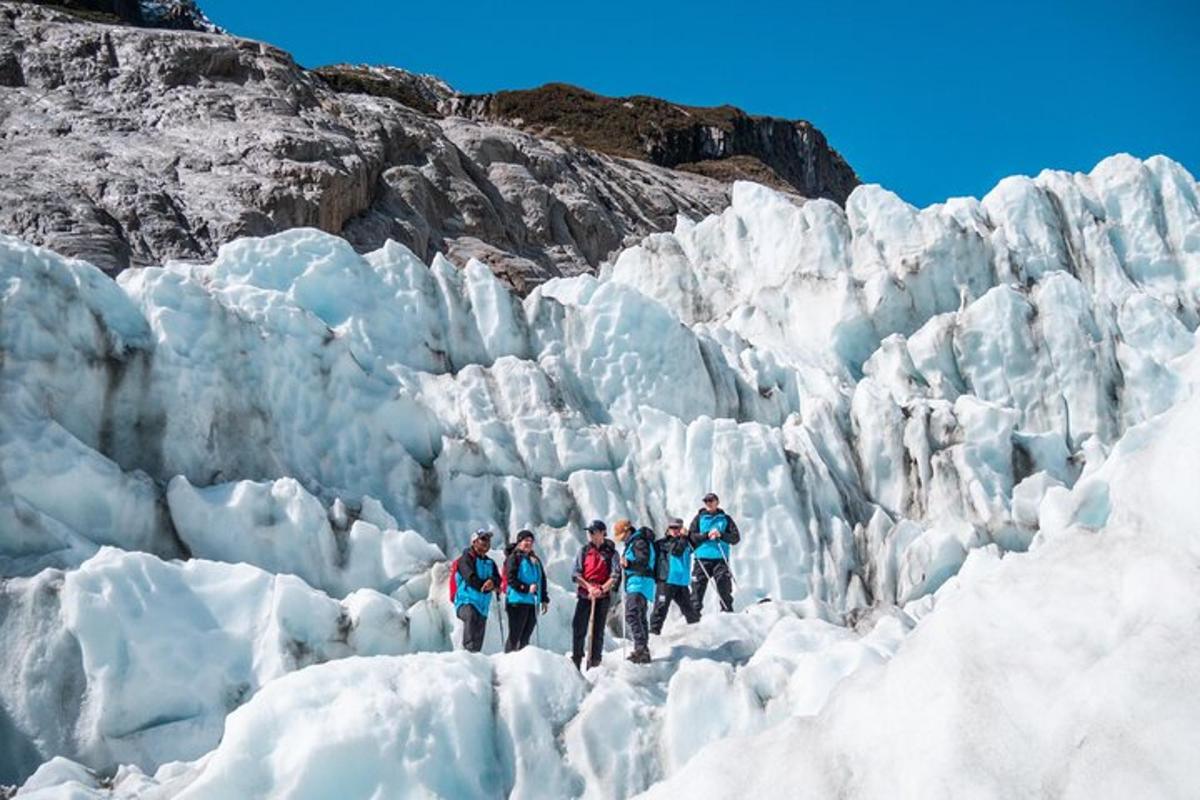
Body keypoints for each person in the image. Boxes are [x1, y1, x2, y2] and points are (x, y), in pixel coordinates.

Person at [570, 519, 620, 669]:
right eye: (589, 532)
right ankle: (577, 659)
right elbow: (575, 574)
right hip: (586, 595)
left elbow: (615, 574)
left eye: (593, 532)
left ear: (602, 533)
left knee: (597, 630)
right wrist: (589, 588)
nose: (590, 535)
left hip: (602, 596)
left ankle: (594, 662)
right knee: (579, 627)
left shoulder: (612, 553)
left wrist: (602, 589)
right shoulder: (584, 551)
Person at [688, 492, 740, 614]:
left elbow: (735, 538)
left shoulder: (725, 519)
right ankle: (694, 617)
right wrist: (706, 535)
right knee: (697, 589)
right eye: (706, 501)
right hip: (701, 559)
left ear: (717, 502)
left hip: (720, 559)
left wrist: (721, 535)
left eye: (711, 500)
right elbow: (691, 537)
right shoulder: (699, 518)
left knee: (724, 587)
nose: (709, 503)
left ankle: (727, 614)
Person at [650, 517, 700, 634]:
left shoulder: (687, 542)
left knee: (690, 611)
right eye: (672, 527)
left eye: (678, 528)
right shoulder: (663, 543)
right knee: (660, 610)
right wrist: (684, 537)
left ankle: (697, 634)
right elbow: (677, 551)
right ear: (668, 528)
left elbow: (697, 541)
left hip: (681, 583)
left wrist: (690, 535)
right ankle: (653, 635)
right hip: (666, 581)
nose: (675, 530)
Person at [503, 529, 549, 652]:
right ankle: (509, 659)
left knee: (526, 636)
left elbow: (542, 579)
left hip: (531, 602)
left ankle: (522, 661)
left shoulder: (534, 560)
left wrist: (544, 598)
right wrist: (526, 588)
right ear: (519, 542)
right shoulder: (514, 558)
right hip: (516, 601)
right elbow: (511, 579)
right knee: (515, 635)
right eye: (525, 540)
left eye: (531, 541)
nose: (528, 543)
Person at [454, 529, 499, 652]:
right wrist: (486, 586)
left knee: (478, 635)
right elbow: (470, 578)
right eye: (483, 539)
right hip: (466, 601)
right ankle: (467, 655)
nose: (486, 542)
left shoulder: (490, 562)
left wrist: (493, 582)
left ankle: (475, 660)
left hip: (482, 606)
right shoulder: (465, 559)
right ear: (474, 542)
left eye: (488, 540)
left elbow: (498, 579)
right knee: (471, 617)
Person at [618, 523, 657, 664]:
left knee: (632, 614)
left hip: (639, 582)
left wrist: (628, 563)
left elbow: (642, 561)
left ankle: (641, 649)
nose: (621, 539)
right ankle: (643, 649)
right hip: (642, 583)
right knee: (640, 616)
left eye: (621, 536)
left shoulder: (638, 542)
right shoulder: (637, 541)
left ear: (627, 531)